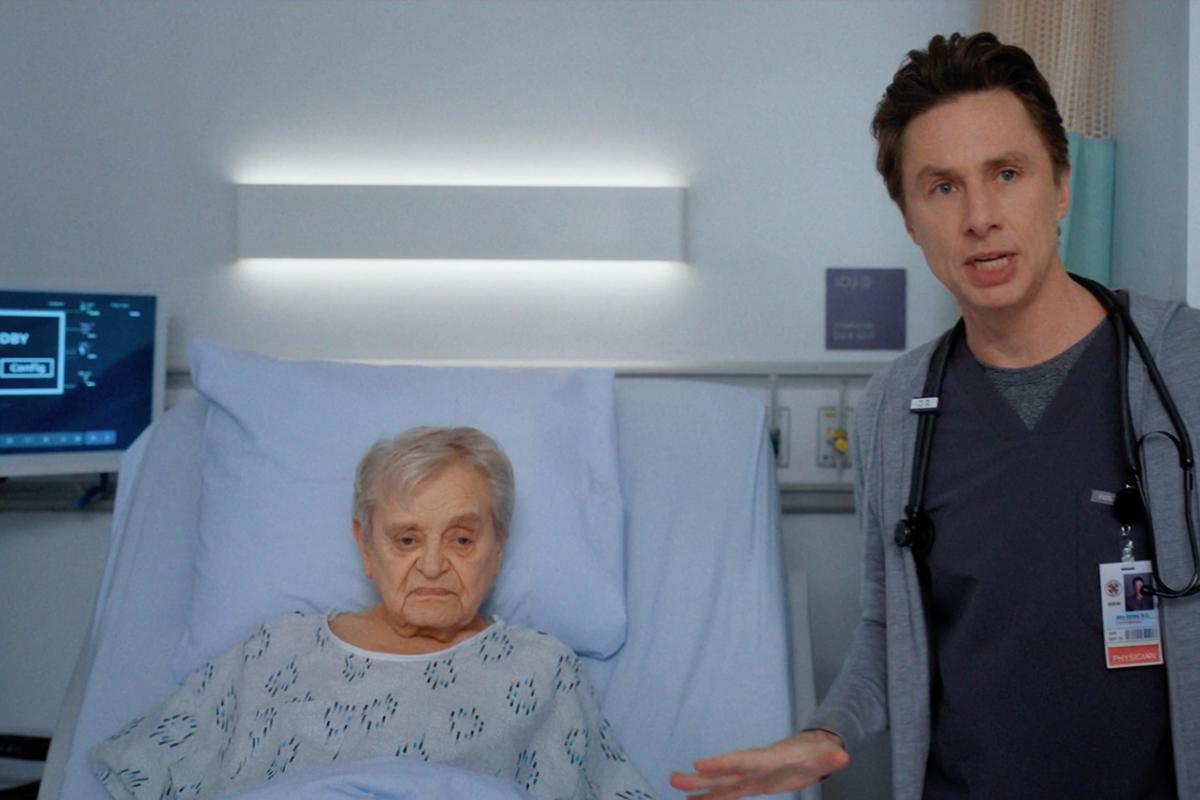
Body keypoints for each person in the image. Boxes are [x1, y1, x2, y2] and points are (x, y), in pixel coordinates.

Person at [672, 32, 1200, 800]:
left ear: (1061, 187)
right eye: (942, 188)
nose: (979, 217)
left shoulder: (1179, 366)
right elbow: (889, 630)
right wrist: (827, 734)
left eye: (1006, 174)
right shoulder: (897, 409)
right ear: (910, 219)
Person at [90, 426, 658, 800]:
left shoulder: (542, 669)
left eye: (461, 539)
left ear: (498, 548)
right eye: (406, 540)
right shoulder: (274, 650)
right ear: (365, 547)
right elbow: (142, 768)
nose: (432, 565)